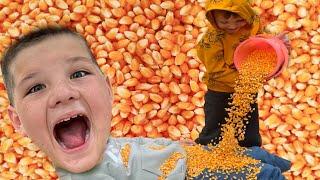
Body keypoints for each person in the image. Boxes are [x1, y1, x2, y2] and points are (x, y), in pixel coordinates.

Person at [1, 27, 290, 179]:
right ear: (18, 122)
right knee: (264, 175)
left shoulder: (104, 144)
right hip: (194, 176)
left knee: (258, 156)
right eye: (36, 87)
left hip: (193, 158)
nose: (63, 93)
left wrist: (179, 147)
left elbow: (139, 149)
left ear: (108, 89)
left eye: (78, 73)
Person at [195, 0, 290, 146]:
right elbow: (216, 70)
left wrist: (279, 42)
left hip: (247, 92)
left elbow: (263, 39)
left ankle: (250, 153)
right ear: (213, 18)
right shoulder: (212, 39)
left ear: (246, 14)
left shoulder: (252, 24)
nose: (232, 26)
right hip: (220, 91)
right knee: (214, 129)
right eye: (224, 22)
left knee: (249, 131)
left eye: (238, 20)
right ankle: (205, 153)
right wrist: (246, 80)